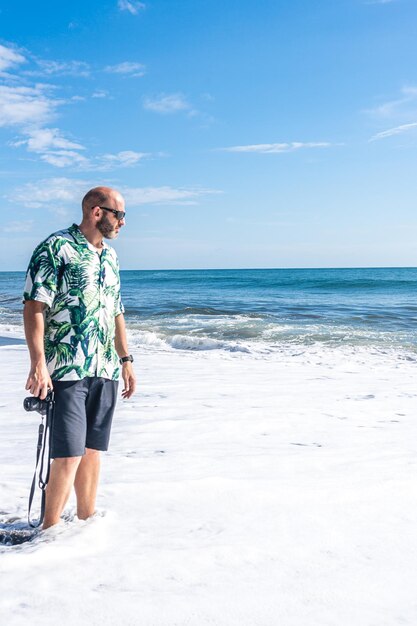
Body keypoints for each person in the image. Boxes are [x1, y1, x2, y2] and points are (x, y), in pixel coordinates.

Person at [23, 186, 136, 529]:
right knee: (68, 452)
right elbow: (34, 305)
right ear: (96, 211)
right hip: (67, 367)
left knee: (92, 449)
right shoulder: (56, 248)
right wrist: (38, 362)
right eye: (120, 215)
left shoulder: (110, 257)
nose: (123, 223)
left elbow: (116, 310)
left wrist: (126, 360)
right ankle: (49, 531)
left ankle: (86, 522)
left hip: (104, 366)